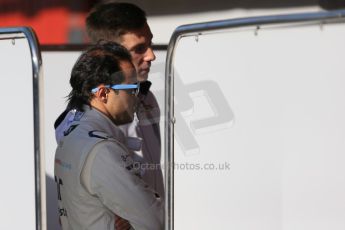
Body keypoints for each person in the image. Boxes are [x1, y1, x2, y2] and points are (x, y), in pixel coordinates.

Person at [55, 2, 164, 199]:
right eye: (139, 48)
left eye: (150, 44)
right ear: (107, 52)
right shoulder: (89, 109)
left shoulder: (148, 97)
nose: (151, 55)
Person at [54, 41, 163, 230]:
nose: (137, 96)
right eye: (132, 89)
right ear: (103, 93)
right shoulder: (102, 149)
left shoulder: (72, 132)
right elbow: (156, 221)